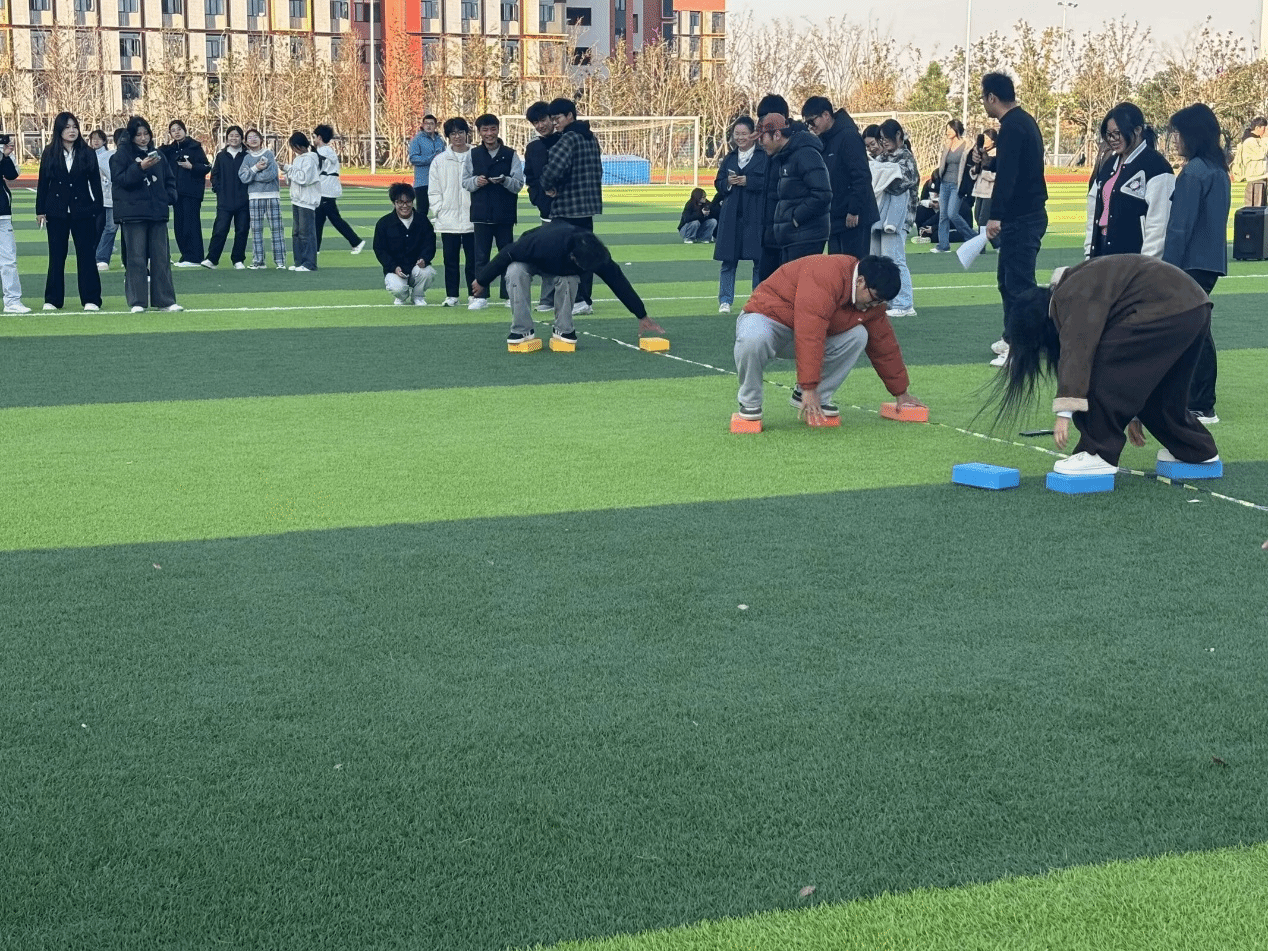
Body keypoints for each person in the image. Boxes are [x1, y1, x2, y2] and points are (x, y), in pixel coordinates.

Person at [987, 256, 1217, 478]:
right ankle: (1196, 449)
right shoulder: (1076, 281)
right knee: (1163, 391)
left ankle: (1097, 452)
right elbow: (1139, 375)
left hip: (1168, 308)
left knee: (1096, 370)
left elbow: (1078, 353)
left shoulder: (1069, 297)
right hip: (1194, 307)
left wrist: (1064, 414)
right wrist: (1136, 414)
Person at [733, 254, 925, 424]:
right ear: (860, 282)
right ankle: (750, 403)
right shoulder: (825, 275)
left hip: (801, 332)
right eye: (874, 298)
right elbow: (810, 333)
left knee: (858, 335)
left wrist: (901, 393)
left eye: (881, 302)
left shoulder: (872, 302)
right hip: (768, 320)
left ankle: (816, 397)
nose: (875, 305)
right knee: (753, 337)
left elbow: (884, 345)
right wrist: (809, 386)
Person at [472, 221, 664, 347]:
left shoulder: (598, 254)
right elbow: (506, 254)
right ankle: (522, 330)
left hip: (561, 267)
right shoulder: (542, 242)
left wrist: (641, 314)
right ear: (573, 257)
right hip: (534, 257)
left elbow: (618, 282)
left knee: (570, 278)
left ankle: (563, 329)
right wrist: (482, 281)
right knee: (515, 271)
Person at [1163, 103, 1232, 426]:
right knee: (1196, 330)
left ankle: (1201, 403)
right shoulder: (1217, 170)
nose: (1176, 140)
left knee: (1196, 332)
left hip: (1190, 262)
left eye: (1179, 133)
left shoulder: (1194, 172)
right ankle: (1197, 400)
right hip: (1209, 261)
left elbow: (1180, 228)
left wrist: (1167, 269)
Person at [982, 71, 1048, 367]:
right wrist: (991, 162)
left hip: (1022, 217)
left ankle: (1023, 346)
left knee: (1019, 285)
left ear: (992, 97)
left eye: (984, 98)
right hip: (1027, 214)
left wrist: (995, 216)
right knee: (1007, 281)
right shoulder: (1024, 121)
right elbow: (1016, 165)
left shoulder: (1011, 127)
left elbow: (1008, 177)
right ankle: (1012, 336)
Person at [110, 115, 182, 313]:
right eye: (138, 134)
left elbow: (169, 179)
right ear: (131, 136)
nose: (143, 138)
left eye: (146, 134)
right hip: (133, 214)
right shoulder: (121, 156)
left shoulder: (159, 155)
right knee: (136, 259)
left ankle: (165, 300)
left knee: (161, 258)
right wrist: (140, 167)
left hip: (157, 212)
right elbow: (121, 180)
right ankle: (137, 301)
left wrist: (169, 196)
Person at [1083, 102, 1174, 260]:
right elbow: (1094, 211)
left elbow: (1159, 225)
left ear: (1138, 130)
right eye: (1108, 134)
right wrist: (1089, 253)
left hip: (1135, 259)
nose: (1112, 139)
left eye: (1118, 133)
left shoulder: (1156, 166)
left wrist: (1147, 265)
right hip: (1103, 253)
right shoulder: (1109, 164)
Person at [540, 97, 604, 315]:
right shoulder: (591, 137)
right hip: (588, 207)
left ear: (569, 116)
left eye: (557, 118)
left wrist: (547, 186)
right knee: (586, 255)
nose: (554, 123)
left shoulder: (568, 139)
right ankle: (584, 300)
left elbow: (552, 170)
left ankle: (574, 300)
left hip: (568, 207)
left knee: (566, 256)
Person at [35, 111, 103, 312]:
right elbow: (43, 183)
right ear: (59, 130)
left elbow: (95, 183)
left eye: (74, 127)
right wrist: (40, 210)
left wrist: (97, 207)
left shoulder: (87, 152)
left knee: (86, 255)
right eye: (67, 127)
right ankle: (53, 299)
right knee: (57, 255)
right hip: (56, 211)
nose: (72, 131)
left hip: (83, 210)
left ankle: (91, 299)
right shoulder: (50, 152)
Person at [802, 95, 878, 259]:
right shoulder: (825, 139)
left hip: (854, 217)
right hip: (835, 216)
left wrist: (853, 210)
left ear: (826, 115)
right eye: (807, 123)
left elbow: (861, 176)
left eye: (812, 121)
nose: (810, 127)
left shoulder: (849, 136)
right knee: (837, 268)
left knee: (854, 266)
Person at [464, 113, 524, 310]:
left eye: (492, 129)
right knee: (480, 257)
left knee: (507, 256)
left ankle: (508, 295)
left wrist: (505, 180)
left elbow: (518, 184)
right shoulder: (473, 154)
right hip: (481, 215)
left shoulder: (510, 154)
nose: (489, 133)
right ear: (479, 132)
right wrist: (476, 181)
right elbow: (465, 181)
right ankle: (480, 296)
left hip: (504, 215)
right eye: (485, 130)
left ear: (498, 130)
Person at [755, 115, 831, 266]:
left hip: (805, 237)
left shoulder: (805, 154)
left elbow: (822, 194)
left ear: (777, 135)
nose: (760, 143)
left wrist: (795, 218)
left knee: (799, 280)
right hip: (794, 237)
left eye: (762, 137)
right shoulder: (787, 155)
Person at [713, 116, 766, 314]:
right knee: (728, 260)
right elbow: (718, 183)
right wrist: (727, 182)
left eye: (744, 133)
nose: (740, 138)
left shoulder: (763, 156)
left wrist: (748, 181)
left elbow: (769, 181)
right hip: (731, 215)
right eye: (737, 134)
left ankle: (757, 301)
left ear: (753, 135)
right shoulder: (729, 157)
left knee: (759, 260)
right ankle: (725, 300)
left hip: (755, 215)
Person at [869, 119, 919, 318]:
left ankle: (904, 303)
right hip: (879, 216)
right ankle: (885, 299)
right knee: (878, 259)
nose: (884, 142)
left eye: (886, 137)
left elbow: (900, 185)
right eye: (881, 138)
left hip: (899, 218)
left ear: (898, 135)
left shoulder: (906, 158)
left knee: (895, 259)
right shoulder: (882, 158)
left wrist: (883, 176)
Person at [429, 117, 476, 307]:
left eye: (461, 132)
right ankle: (452, 295)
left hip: (473, 218)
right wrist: (439, 210)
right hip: (448, 219)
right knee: (450, 260)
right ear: (448, 136)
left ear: (467, 134)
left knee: (473, 261)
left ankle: (474, 295)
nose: (457, 137)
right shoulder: (439, 160)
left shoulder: (476, 156)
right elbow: (433, 190)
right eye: (453, 133)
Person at [522, 101, 562, 312]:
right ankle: (547, 298)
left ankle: (579, 298)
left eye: (543, 120)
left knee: (574, 252)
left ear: (552, 119)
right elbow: (530, 178)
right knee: (549, 253)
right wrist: (539, 199)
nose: (540, 125)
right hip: (546, 210)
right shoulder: (533, 148)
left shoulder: (566, 141)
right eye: (535, 122)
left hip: (570, 208)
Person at [373, 182, 437, 306]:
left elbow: (430, 244)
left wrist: (424, 259)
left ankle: (418, 296)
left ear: (413, 202)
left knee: (428, 272)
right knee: (398, 288)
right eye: (400, 202)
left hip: (417, 268)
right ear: (394, 203)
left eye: (408, 202)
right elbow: (380, 249)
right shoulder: (384, 223)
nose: (404, 206)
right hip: (396, 269)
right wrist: (393, 267)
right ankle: (401, 296)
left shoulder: (422, 221)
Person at [160, 119, 211, 267]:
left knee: (191, 224)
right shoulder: (170, 150)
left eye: (179, 129)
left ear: (184, 130)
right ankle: (186, 255)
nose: (176, 132)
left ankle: (195, 257)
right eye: (173, 130)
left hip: (191, 192)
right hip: (176, 194)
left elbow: (206, 167)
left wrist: (192, 166)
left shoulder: (195, 147)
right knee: (179, 226)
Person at [754, 93, 791, 284]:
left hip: (786, 233)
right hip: (769, 231)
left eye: (764, 118)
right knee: (766, 284)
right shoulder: (767, 150)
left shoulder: (795, 149)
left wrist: (793, 219)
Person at [312, 124, 365, 254]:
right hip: (326, 189)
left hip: (326, 189)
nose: (313, 139)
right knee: (319, 219)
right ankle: (315, 248)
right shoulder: (326, 151)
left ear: (319, 137)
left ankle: (356, 241)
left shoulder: (323, 151)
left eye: (315, 137)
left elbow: (315, 166)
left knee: (333, 219)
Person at [239, 129, 286, 269]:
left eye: (255, 136)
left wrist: (253, 176)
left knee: (276, 229)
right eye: (249, 137)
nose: (253, 139)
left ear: (261, 139)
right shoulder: (247, 158)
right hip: (254, 197)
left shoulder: (268, 154)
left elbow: (271, 175)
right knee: (256, 231)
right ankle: (258, 261)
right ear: (246, 142)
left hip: (272, 195)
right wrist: (255, 169)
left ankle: (280, 261)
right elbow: (243, 177)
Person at [204, 125, 250, 269]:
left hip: (244, 200)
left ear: (241, 138)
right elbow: (214, 175)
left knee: (242, 230)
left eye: (237, 136)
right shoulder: (221, 155)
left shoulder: (247, 155)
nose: (234, 138)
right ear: (227, 138)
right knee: (220, 230)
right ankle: (212, 259)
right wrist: (218, 189)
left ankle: (238, 259)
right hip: (224, 200)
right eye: (231, 135)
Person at [931, 120, 975, 253]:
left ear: (956, 129)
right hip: (944, 183)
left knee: (952, 214)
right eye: (947, 129)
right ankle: (943, 245)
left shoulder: (967, 145)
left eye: (950, 129)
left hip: (958, 185)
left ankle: (973, 238)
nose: (947, 132)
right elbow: (943, 164)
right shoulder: (947, 144)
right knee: (943, 215)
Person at [281, 131, 321, 272]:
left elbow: (304, 179)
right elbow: (293, 179)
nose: (293, 150)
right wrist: (287, 172)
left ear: (299, 146)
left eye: (294, 147)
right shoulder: (298, 159)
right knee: (297, 233)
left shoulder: (310, 159)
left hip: (307, 201)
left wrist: (288, 169)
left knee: (306, 233)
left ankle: (309, 263)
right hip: (297, 199)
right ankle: (299, 262)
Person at [1, 133, 30, 313]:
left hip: (2, 214)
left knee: (8, 260)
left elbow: (12, 175)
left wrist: (7, 155)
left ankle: (12, 301)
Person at [88, 130, 118, 272]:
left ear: (104, 141)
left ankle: (102, 257)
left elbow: (110, 176)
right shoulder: (88, 154)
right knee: (98, 227)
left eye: (98, 139)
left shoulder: (108, 155)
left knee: (109, 227)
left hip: (109, 196)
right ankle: (98, 256)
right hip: (96, 197)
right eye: (93, 139)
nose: (96, 141)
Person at [408, 115, 446, 217]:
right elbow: (413, 158)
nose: (429, 126)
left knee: (442, 209)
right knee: (422, 212)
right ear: (422, 125)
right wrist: (432, 158)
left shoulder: (440, 140)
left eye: (431, 124)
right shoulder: (417, 140)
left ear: (435, 126)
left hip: (439, 182)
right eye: (426, 123)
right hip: (423, 182)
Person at [1230, 117, 1268, 207]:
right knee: (1256, 206)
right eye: (1264, 128)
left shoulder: (1257, 139)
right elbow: (1261, 153)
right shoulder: (1249, 141)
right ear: (1257, 128)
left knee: (1261, 206)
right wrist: (1266, 138)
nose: (1265, 131)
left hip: (1261, 177)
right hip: (1255, 177)